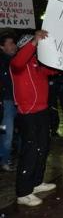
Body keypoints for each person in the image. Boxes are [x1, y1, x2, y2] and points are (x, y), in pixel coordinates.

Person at [11, 31, 58, 206]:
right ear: (26, 45)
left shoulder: (36, 63)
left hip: (42, 111)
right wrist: (34, 42)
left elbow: (52, 70)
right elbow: (19, 61)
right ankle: (23, 193)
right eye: (33, 44)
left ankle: (37, 183)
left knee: (43, 147)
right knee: (30, 151)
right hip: (27, 114)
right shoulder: (17, 62)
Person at [0, 33, 17, 172]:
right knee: (6, 133)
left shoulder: (18, 60)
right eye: (9, 43)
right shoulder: (2, 62)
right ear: (2, 46)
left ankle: (14, 157)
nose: (13, 46)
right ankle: (4, 160)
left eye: (14, 43)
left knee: (22, 132)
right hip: (6, 102)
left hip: (20, 102)